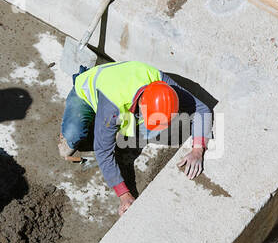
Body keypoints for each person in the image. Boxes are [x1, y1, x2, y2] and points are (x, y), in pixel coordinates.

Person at [58, 60, 211, 216]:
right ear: (142, 105)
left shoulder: (163, 86)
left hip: (120, 89)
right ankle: (81, 126)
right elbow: (102, 151)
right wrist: (124, 196)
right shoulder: (114, 106)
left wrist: (197, 150)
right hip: (86, 91)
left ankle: (111, 127)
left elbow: (201, 109)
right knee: (73, 137)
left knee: (152, 132)